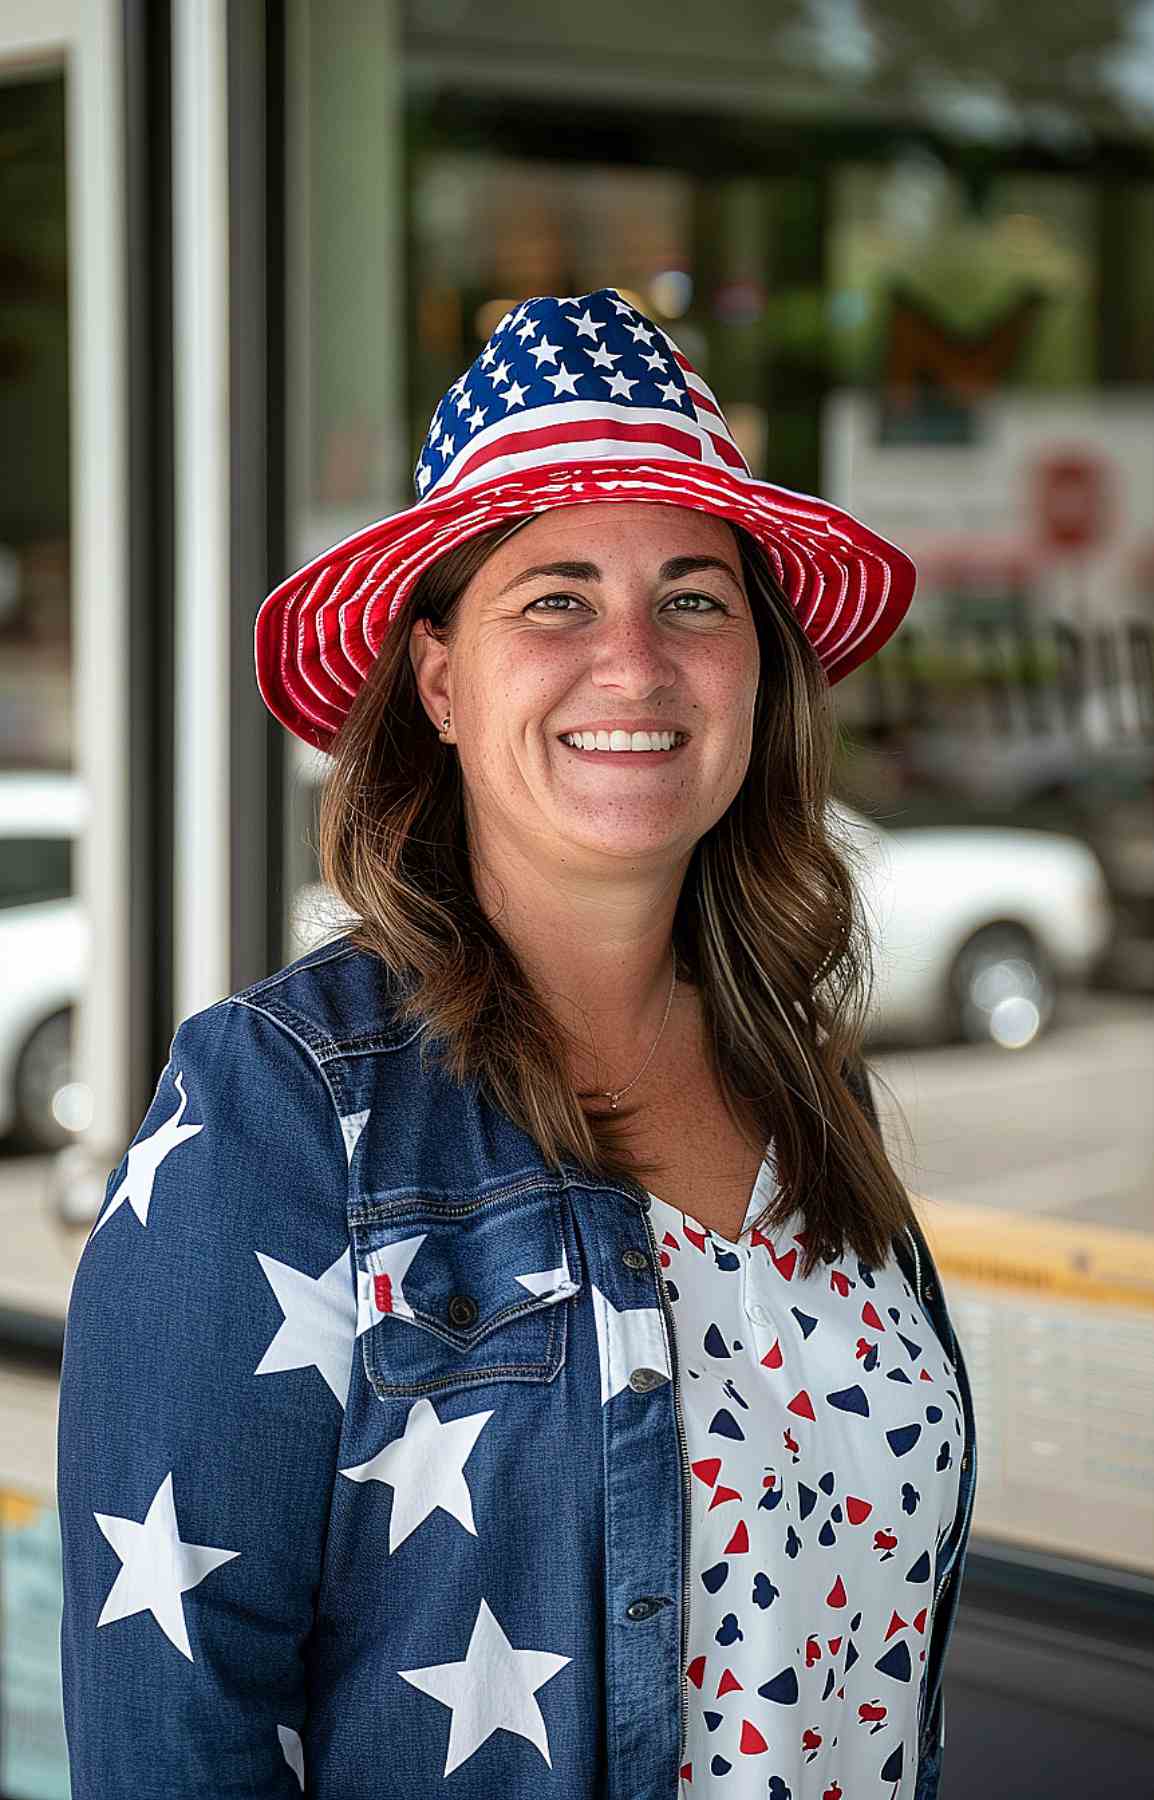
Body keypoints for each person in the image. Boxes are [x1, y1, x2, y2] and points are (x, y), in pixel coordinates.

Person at [57, 286, 976, 1798]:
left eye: (695, 596)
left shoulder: (814, 1090)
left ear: (757, 667)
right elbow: (174, 1744)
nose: (634, 661)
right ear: (438, 678)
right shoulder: (282, 1112)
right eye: (555, 596)